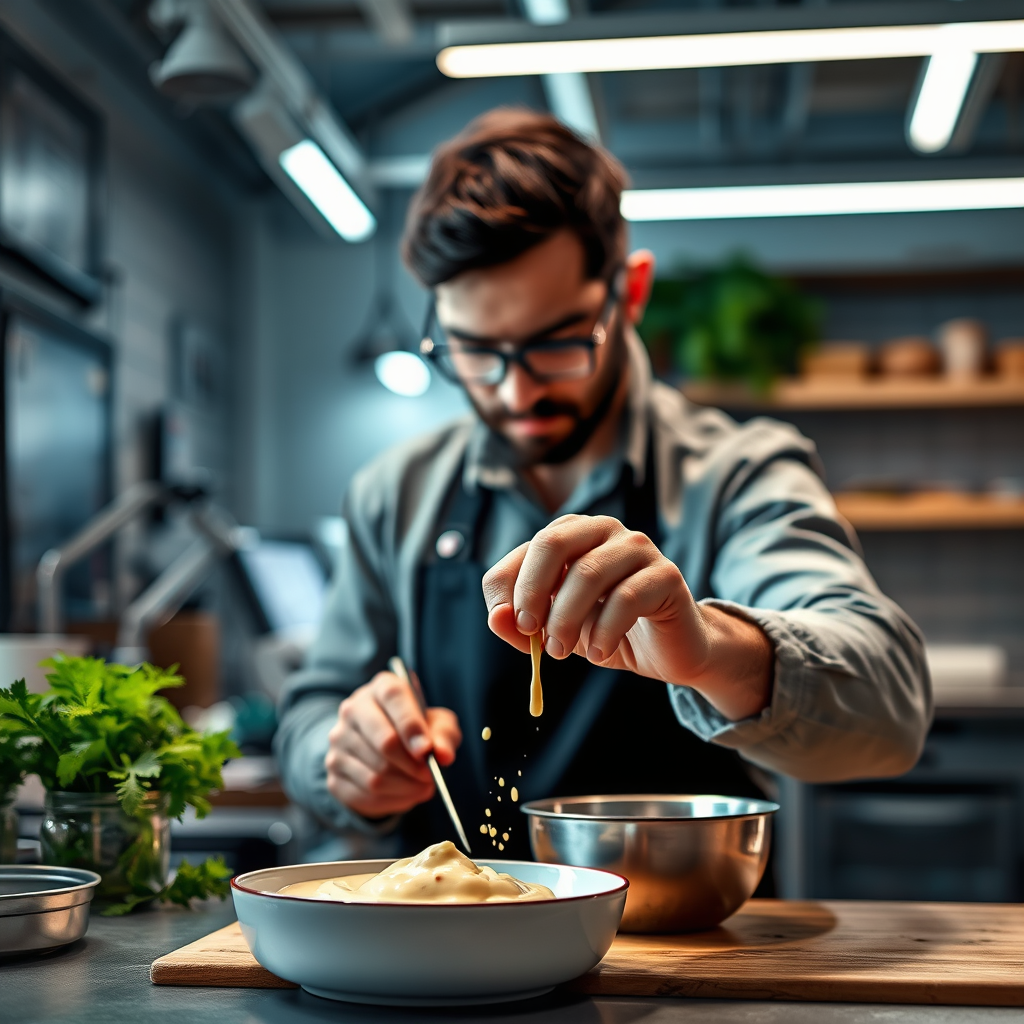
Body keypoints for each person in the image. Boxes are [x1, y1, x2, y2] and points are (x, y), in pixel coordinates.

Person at [275, 108, 931, 861]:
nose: (517, 393)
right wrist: (344, 756)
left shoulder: (736, 475)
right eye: (477, 351)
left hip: (680, 927)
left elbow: (889, 711)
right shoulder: (397, 494)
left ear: (631, 293)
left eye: (555, 343)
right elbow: (312, 713)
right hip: (447, 927)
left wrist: (710, 651)